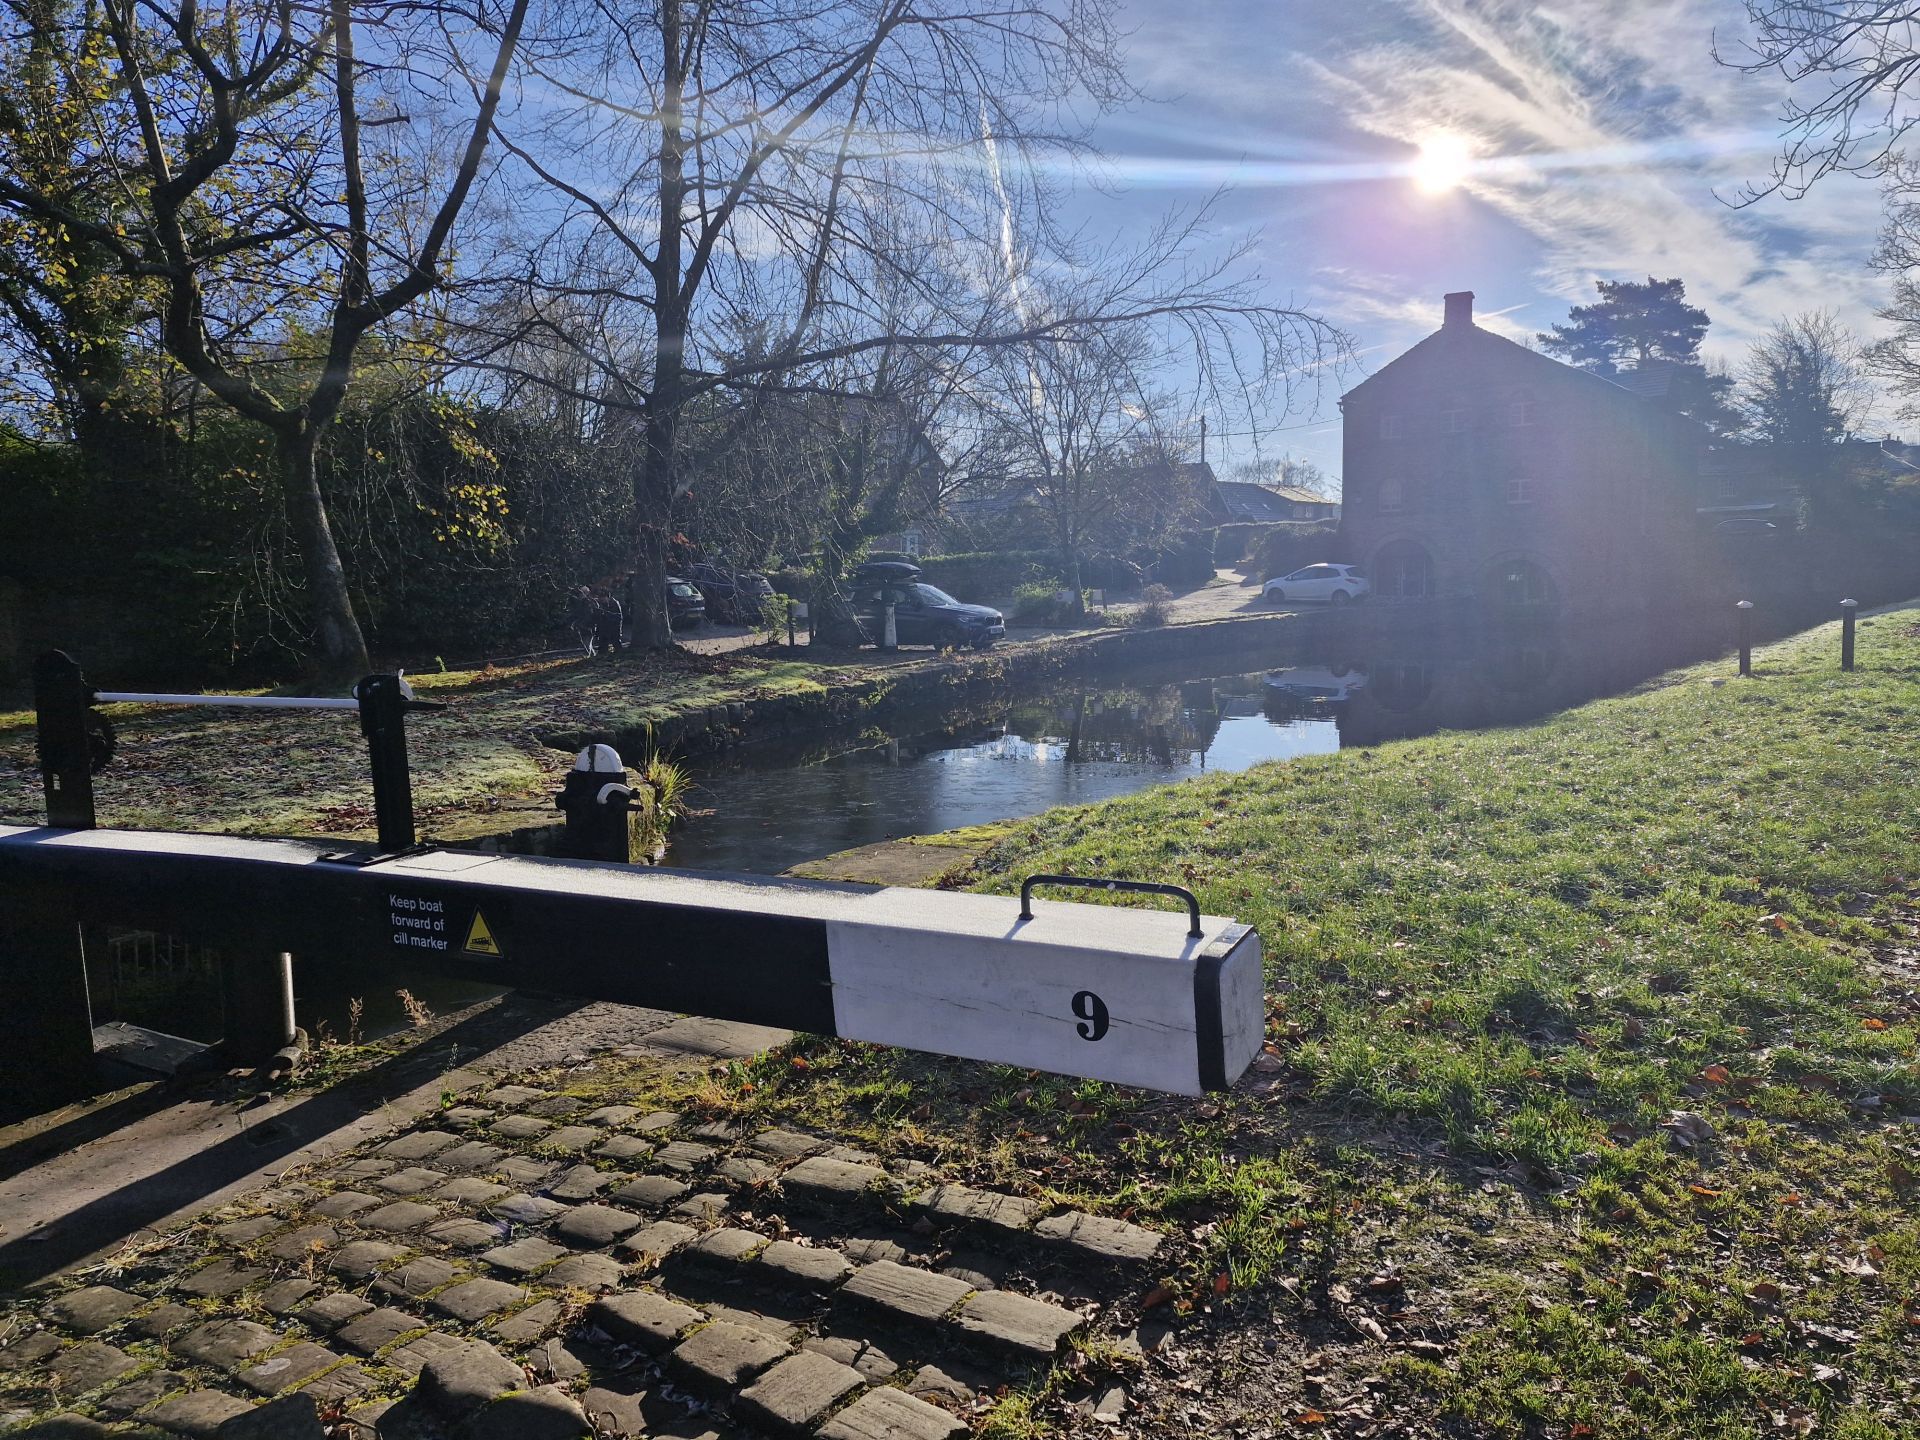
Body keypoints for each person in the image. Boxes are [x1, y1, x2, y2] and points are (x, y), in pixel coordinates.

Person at [567, 585, 598, 656]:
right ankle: (592, 656)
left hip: (589, 626)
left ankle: (590, 657)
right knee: (586, 644)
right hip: (583, 626)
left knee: (587, 644)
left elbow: (589, 616)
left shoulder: (589, 602)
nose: (579, 595)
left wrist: (580, 623)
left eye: (581, 593)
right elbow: (578, 613)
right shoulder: (583, 602)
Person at [593, 587, 625, 654]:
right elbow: (598, 618)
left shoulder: (614, 603)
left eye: (602, 598)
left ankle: (619, 655)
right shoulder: (601, 604)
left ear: (607, 597)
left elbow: (618, 616)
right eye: (600, 598)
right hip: (604, 629)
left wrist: (605, 614)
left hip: (614, 628)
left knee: (616, 643)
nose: (601, 600)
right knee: (602, 646)